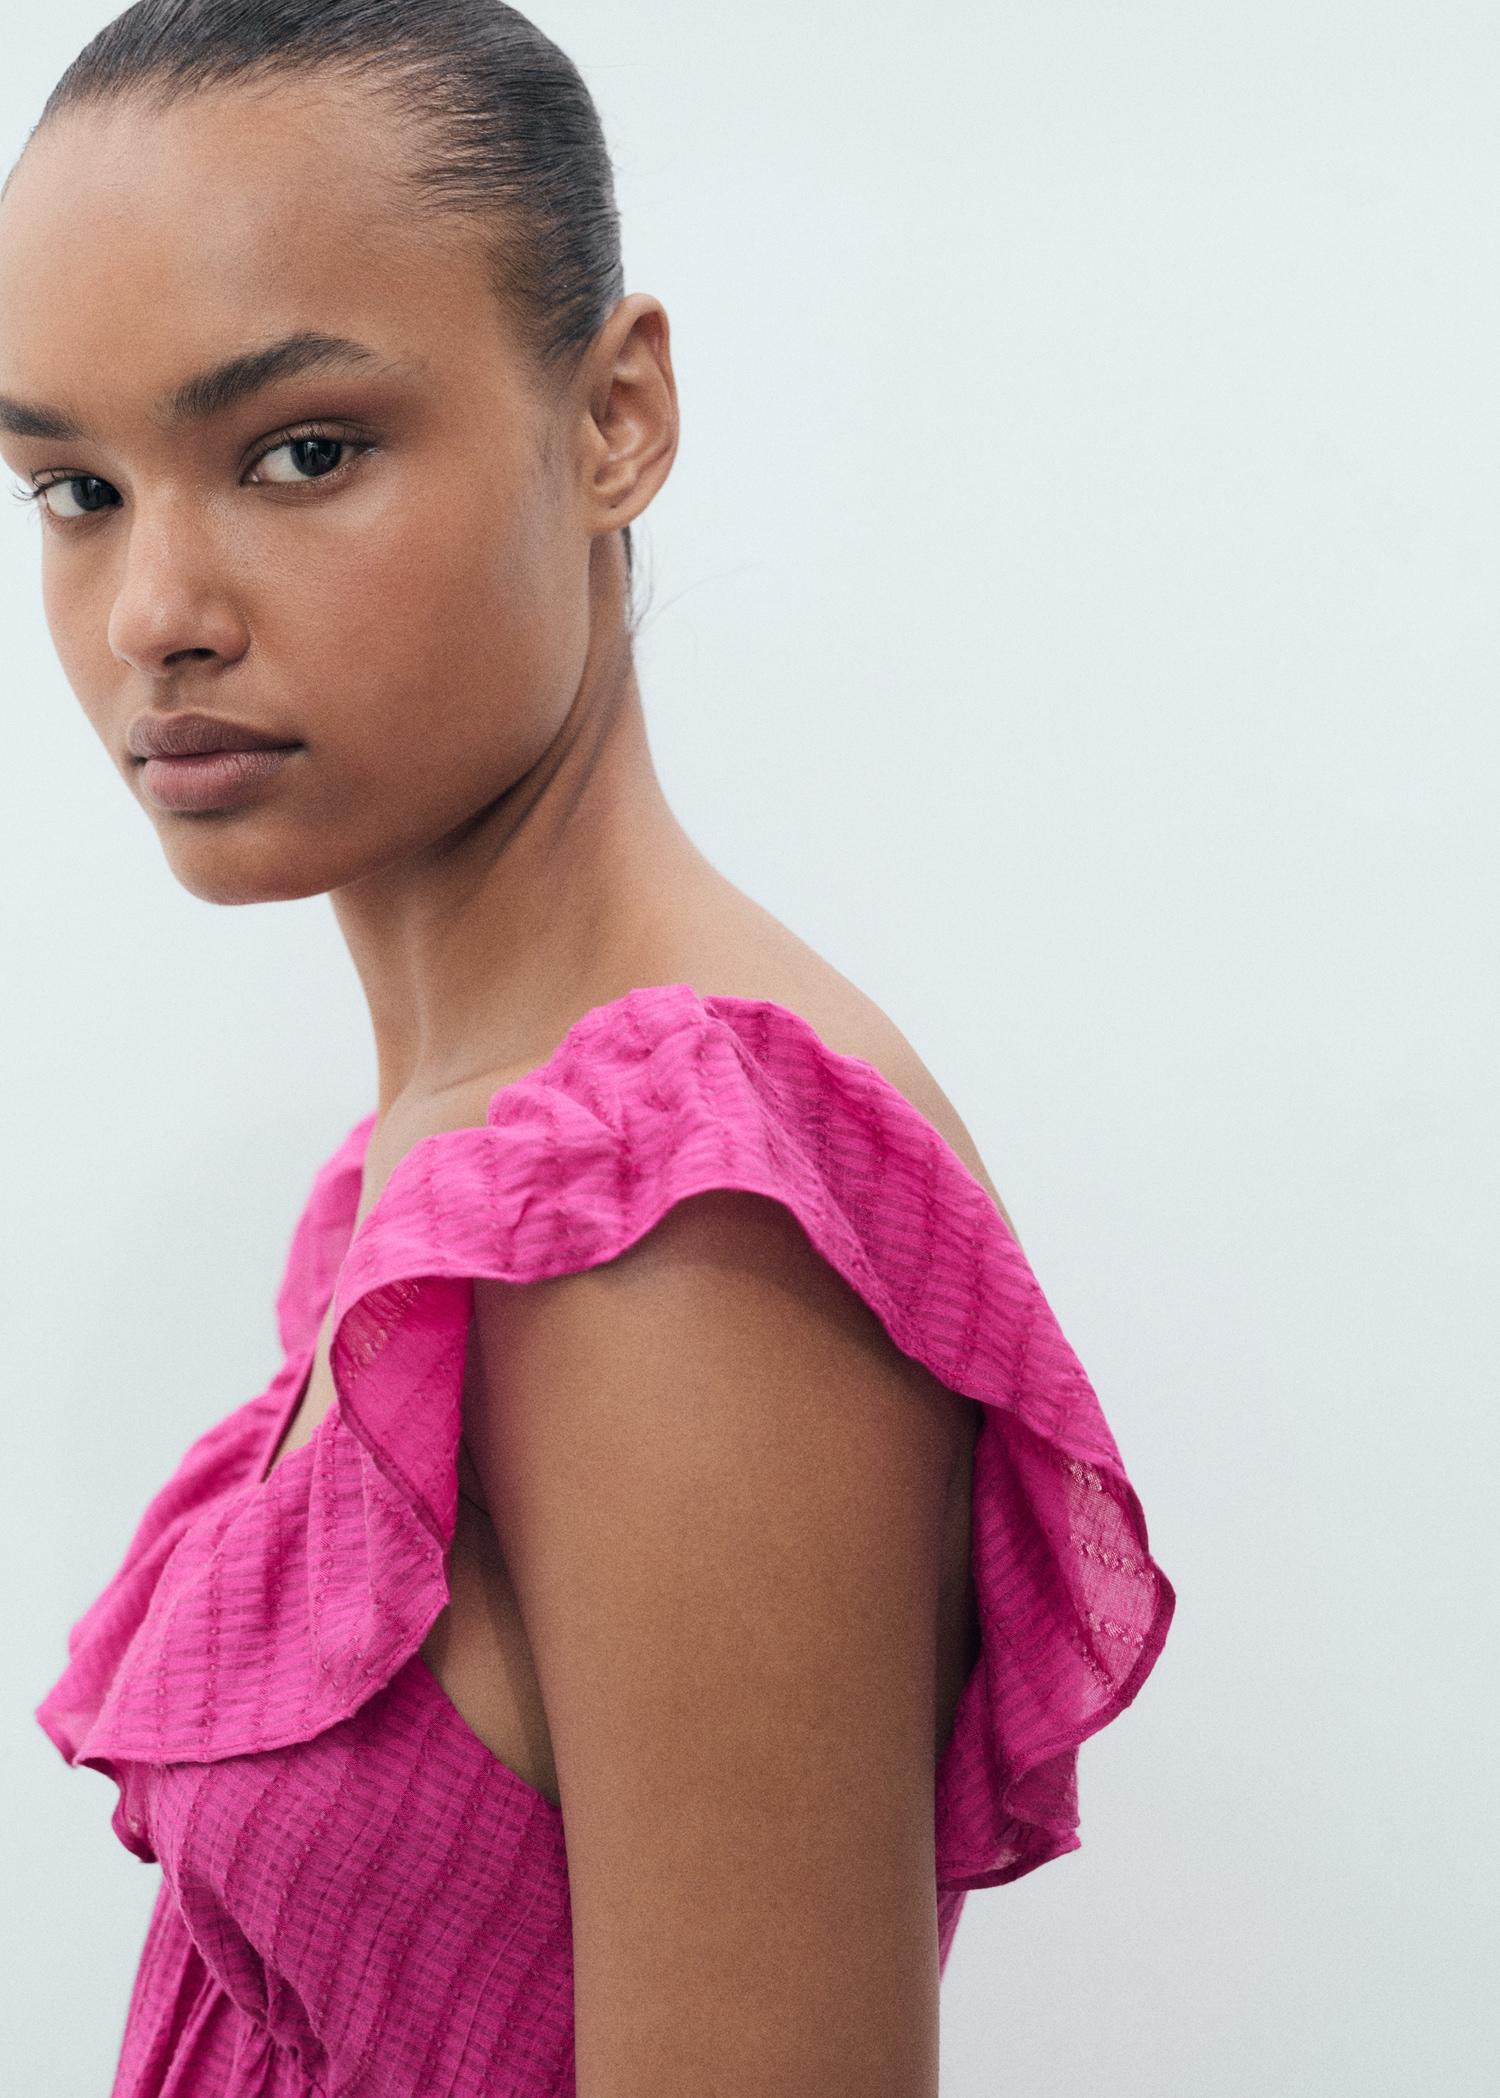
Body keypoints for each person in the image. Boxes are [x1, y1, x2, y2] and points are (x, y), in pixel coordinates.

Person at [4, 5, 1177, 2095]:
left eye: (301, 451)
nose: (150, 611)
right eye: (76, 487)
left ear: (616, 415)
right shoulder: (451, 1170)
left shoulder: (671, 1228)